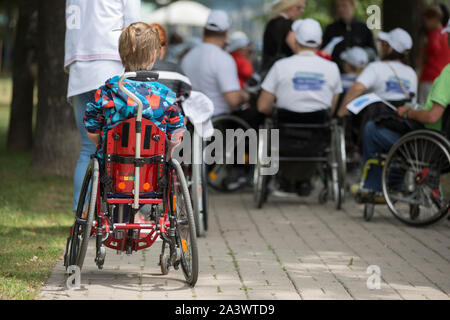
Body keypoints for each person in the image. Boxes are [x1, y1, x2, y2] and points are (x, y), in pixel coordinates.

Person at [64, 0, 141, 212]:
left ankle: (82, 217)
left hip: (79, 69)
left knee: (88, 148)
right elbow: (135, 27)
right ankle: (120, 213)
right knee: (120, 147)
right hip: (112, 65)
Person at [258, 18, 343, 196]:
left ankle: (284, 179)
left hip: (284, 135)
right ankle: (303, 180)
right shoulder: (332, 68)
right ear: (320, 42)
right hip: (318, 136)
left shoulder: (280, 67)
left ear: (295, 40)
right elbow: (332, 109)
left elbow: (262, 106)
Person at [84, 22, 185, 162]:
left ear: (121, 54)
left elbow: (92, 128)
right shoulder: (165, 96)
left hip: (113, 166)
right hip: (154, 169)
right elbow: (176, 134)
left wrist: (100, 144)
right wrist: (168, 155)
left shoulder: (107, 92)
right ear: (154, 56)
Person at [181, 10, 249, 117]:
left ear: (204, 31)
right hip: (218, 124)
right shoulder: (222, 58)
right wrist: (245, 96)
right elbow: (234, 100)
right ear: (226, 33)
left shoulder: (188, 57)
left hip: (192, 122)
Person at [338, 28, 418, 118]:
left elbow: (357, 89)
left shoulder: (375, 67)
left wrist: (340, 114)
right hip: (404, 123)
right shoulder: (411, 73)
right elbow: (413, 102)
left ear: (390, 48)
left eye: (384, 44)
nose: (380, 47)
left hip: (378, 123)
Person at [321, 0, 377, 72]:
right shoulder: (331, 29)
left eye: (344, 5)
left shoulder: (364, 29)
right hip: (335, 72)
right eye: (338, 6)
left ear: (352, 5)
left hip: (359, 75)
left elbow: (373, 53)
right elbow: (323, 52)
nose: (340, 9)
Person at [261, 0, 306, 75]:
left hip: (269, 68)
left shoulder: (272, 22)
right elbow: (296, 48)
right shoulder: (287, 24)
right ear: (290, 7)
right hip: (283, 70)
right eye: (299, 7)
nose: (302, 11)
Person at [150, 23, 192, 102]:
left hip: (138, 113)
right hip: (168, 113)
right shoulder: (175, 71)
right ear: (162, 47)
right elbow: (187, 94)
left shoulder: (130, 71)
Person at [418, 4, 450, 105]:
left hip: (430, 78)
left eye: (426, 20)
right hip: (444, 79)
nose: (425, 24)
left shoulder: (433, 35)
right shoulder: (446, 34)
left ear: (434, 19)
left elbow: (433, 48)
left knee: (424, 107)